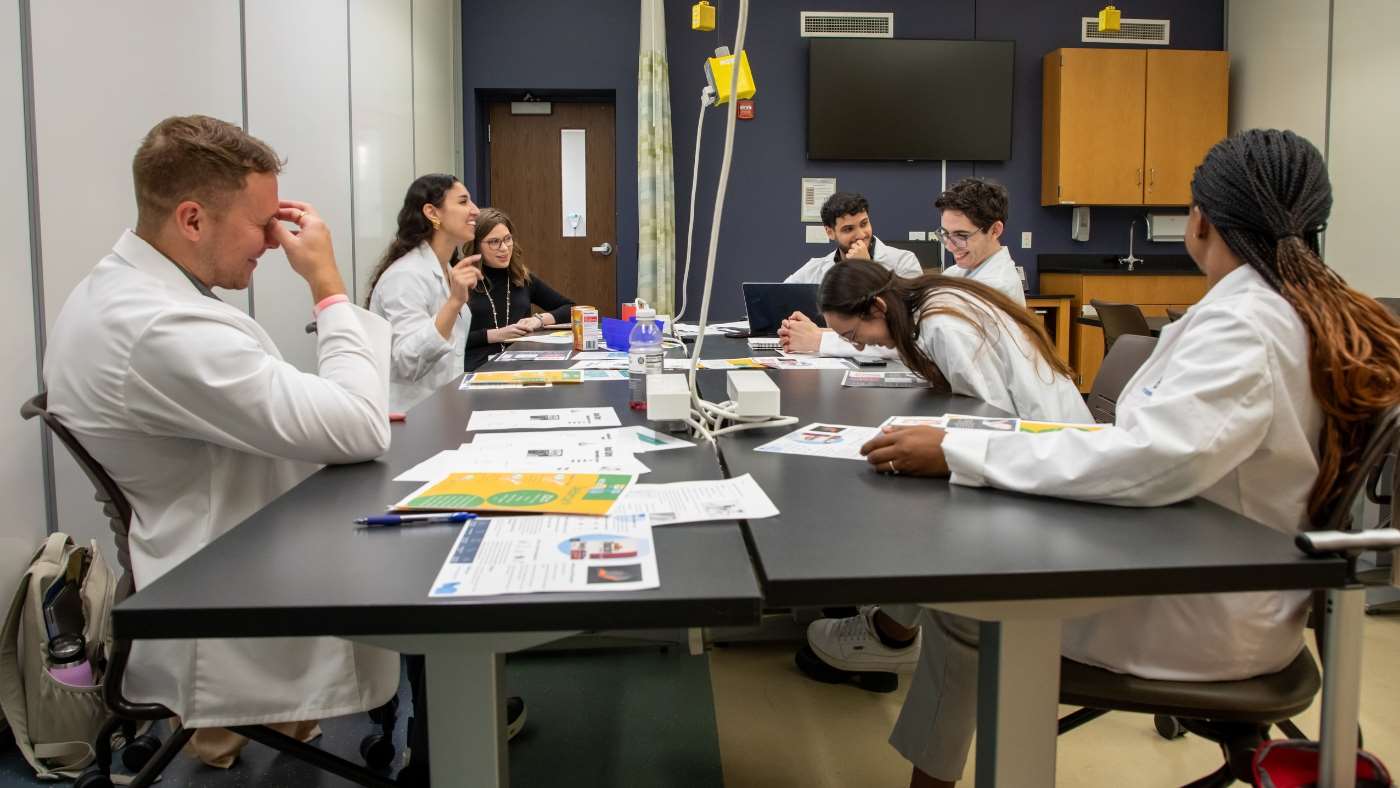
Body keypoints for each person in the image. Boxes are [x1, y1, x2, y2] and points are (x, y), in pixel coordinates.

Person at [859, 129, 1400, 788]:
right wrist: (971, 449)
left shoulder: (1246, 326)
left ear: (1199, 220)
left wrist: (962, 453)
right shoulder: (1281, 307)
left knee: (967, 604)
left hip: (1205, 613)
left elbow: (1151, 458)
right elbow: (1155, 450)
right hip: (1212, 567)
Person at [42, 115, 399, 767]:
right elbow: (360, 426)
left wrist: (332, 403)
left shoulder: (126, 292)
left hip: (216, 541)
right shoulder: (160, 327)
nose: (274, 241)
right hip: (228, 574)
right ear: (192, 219)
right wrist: (328, 287)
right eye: (260, 222)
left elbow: (272, 398)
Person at [794, 259, 1090, 693]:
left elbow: (991, 426)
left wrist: (933, 450)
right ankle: (889, 624)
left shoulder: (942, 327)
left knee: (922, 503)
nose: (857, 348)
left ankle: (891, 632)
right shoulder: (929, 304)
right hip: (1042, 449)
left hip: (1050, 467)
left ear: (877, 307)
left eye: (854, 336)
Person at [365, 173, 483, 412]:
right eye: (463, 202)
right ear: (432, 212)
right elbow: (408, 362)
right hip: (410, 416)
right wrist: (454, 303)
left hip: (441, 411)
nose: (475, 210)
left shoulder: (445, 269)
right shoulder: (405, 276)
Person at [779, 192, 923, 356]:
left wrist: (866, 268)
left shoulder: (903, 262)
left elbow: (906, 334)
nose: (861, 235)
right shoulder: (815, 267)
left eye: (864, 223)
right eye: (848, 229)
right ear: (830, 232)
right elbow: (777, 299)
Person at [463, 208, 576, 371]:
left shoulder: (521, 278)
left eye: (508, 239)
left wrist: (539, 320)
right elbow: (447, 340)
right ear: (476, 245)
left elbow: (571, 308)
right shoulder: (461, 281)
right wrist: (495, 335)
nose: (504, 248)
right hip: (476, 368)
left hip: (522, 365)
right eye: (494, 242)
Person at [933, 177, 1025, 307]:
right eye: (946, 234)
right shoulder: (957, 271)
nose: (950, 247)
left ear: (995, 230)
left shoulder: (996, 288)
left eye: (961, 235)